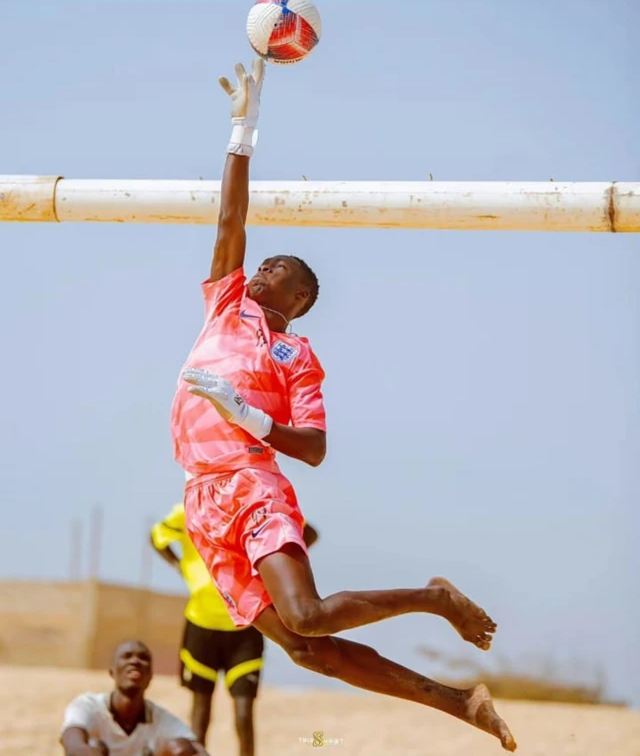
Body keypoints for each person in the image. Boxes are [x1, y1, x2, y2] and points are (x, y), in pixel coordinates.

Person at [169, 58, 517, 752]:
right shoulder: (225, 308)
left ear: (298, 302)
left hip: (252, 484)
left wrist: (247, 415)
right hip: (202, 499)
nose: (262, 269)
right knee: (307, 650)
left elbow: (315, 448)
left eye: (279, 272)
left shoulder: (298, 357)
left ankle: (435, 597)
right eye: (264, 264)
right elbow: (230, 216)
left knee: (310, 614)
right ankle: (458, 703)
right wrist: (243, 130)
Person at [150, 499, 319, 754]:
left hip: (248, 623)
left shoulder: (255, 506)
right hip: (201, 623)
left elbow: (307, 532)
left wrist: (278, 568)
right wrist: (179, 566)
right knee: (201, 713)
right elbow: (156, 537)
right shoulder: (189, 510)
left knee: (243, 713)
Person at [60, 639, 209, 756]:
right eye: (126, 656)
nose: (135, 661)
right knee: (93, 747)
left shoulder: (160, 719)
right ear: (112, 671)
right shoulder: (88, 705)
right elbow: (73, 745)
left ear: (150, 676)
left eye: (143, 658)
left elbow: (198, 751)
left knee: (181, 749)